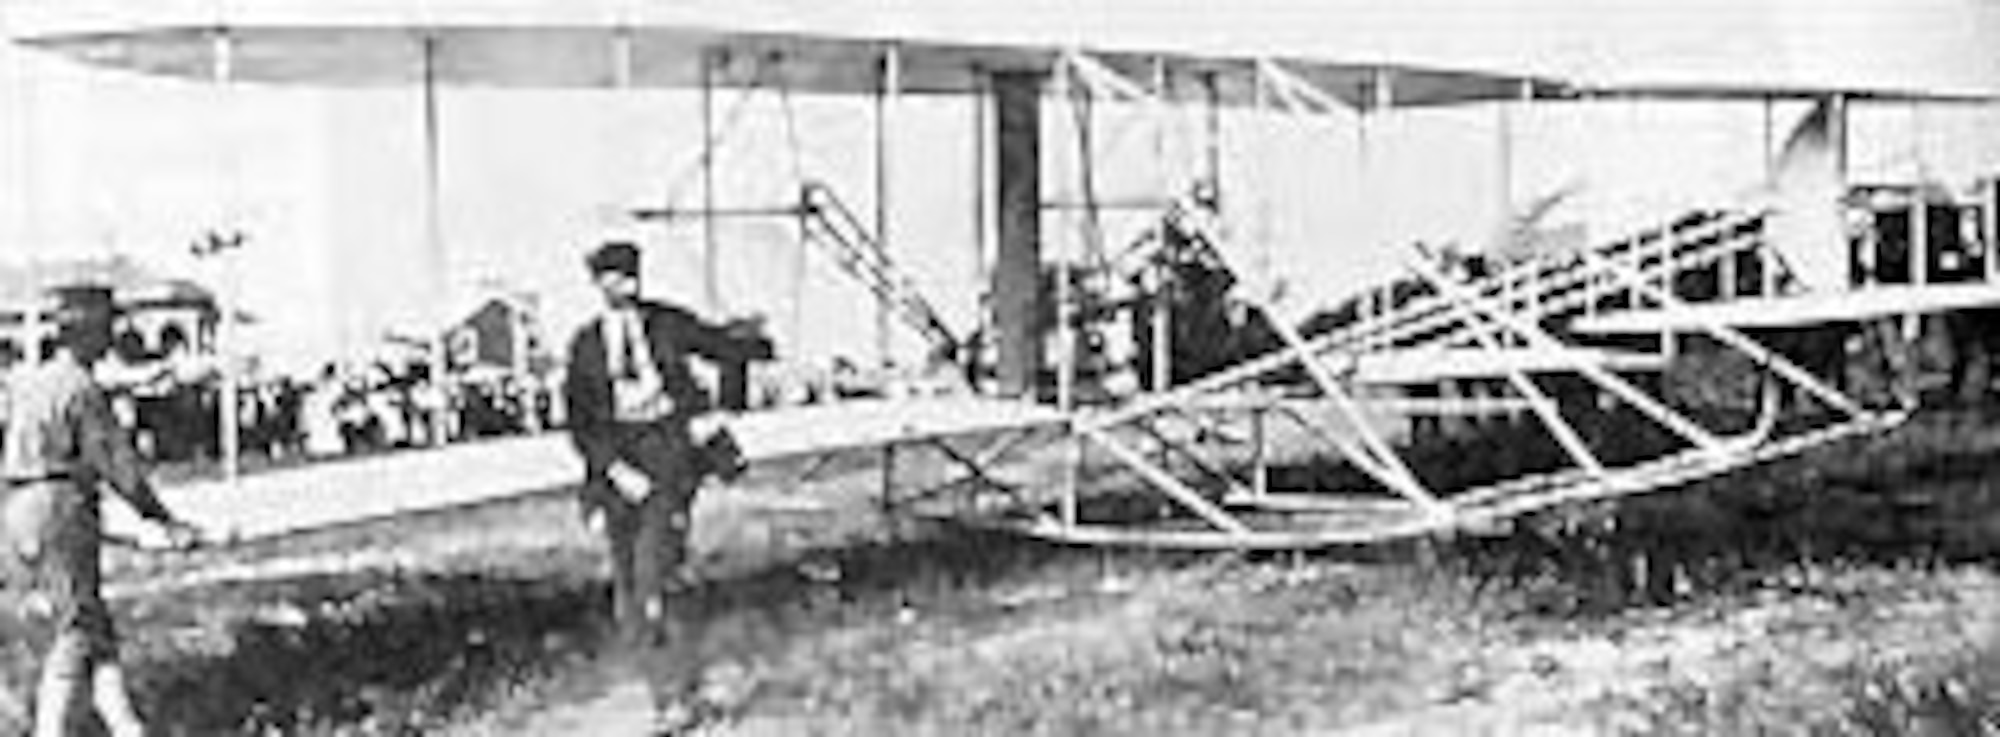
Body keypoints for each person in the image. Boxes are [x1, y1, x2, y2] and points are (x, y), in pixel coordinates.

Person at [561, 241, 771, 733]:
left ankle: (674, 697)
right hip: (616, 466)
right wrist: (612, 469)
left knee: (656, 574)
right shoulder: (586, 345)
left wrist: (721, 411)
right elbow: (580, 423)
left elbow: (729, 348)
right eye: (611, 277)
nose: (623, 285)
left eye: (629, 275)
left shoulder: (666, 323)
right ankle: (669, 685)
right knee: (630, 591)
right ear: (597, 285)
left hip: (668, 458)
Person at [0, 284, 201, 737]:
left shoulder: (32, 382)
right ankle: (48, 731)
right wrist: (162, 517)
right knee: (74, 628)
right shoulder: (82, 388)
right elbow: (118, 465)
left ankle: (126, 725)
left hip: (17, 505)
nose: (113, 336)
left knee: (92, 622)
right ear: (88, 333)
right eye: (107, 327)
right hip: (61, 503)